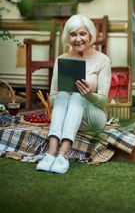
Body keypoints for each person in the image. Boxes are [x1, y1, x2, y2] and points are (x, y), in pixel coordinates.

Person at [36, 14, 111, 174]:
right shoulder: (61, 59)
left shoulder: (102, 60)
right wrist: (65, 93)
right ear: (67, 37)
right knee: (63, 95)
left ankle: (63, 154)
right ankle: (51, 153)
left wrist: (88, 94)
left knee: (78, 96)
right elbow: (53, 96)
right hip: (67, 114)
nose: (78, 39)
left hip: (94, 116)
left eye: (82, 34)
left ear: (90, 35)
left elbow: (103, 101)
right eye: (73, 34)